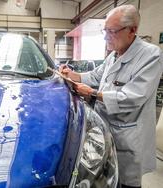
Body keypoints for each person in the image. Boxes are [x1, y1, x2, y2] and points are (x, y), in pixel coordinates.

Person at [59, 4, 163, 188]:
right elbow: (95, 76)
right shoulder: (114, 54)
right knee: (103, 179)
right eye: (105, 31)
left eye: (112, 31)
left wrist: (92, 93)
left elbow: (134, 97)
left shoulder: (151, 55)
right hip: (104, 128)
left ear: (132, 30)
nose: (106, 36)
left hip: (128, 136)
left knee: (126, 182)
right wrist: (71, 75)